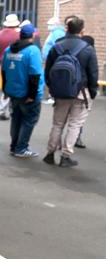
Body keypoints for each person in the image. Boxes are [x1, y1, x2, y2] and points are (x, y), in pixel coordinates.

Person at [42, 16, 99, 167]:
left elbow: (48, 71)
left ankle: (49, 153)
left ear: (67, 29)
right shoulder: (87, 48)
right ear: (82, 31)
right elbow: (93, 74)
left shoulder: (56, 46)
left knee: (57, 124)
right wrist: (92, 93)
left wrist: (53, 88)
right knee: (74, 125)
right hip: (81, 93)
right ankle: (65, 157)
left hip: (60, 92)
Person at [1, 24, 44, 158]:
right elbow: (35, 75)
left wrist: (5, 90)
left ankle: (14, 147)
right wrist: (32, 95)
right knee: (29, 120)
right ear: (33, 35)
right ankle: (21, 148)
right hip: (28, 94)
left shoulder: (9, 50)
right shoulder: (33, 51)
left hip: (13, 91)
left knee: (16, 119)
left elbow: (4, 71)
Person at [0, 13, 22, 120]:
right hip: (17, 64)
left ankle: (1, 111)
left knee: (6, 88)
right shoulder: (19, 35)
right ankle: (13, 111)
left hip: (3, 64)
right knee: (16, 87)